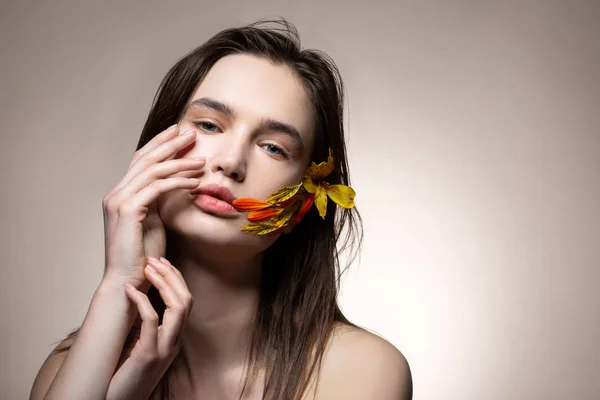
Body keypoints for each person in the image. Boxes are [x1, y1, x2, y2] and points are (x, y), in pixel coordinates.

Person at [30, 18, 412, 400]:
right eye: (210, 125)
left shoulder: (361, 372)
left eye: (273, 148)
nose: (231, 162)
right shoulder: (71, 371)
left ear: (301, 203)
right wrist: (119, 286)